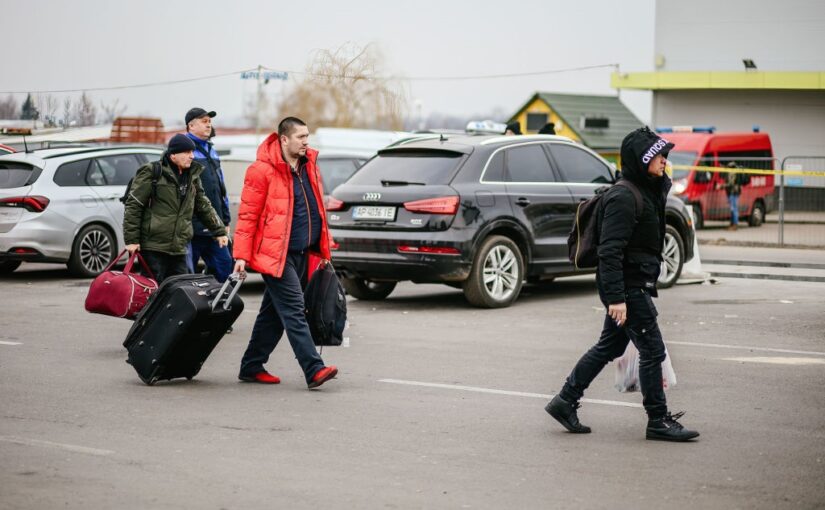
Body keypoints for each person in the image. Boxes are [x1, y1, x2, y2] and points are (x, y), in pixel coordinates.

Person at [545, 126, 699, 442]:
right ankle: (658, 420)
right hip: (626, 287)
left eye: (665, 154)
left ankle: (565, 400)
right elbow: (609, 251)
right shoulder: (624, 197)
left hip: (633, 283)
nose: (664, 160)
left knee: (610, 345)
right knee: (653, 351)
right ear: (642, 160)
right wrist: (617, 298)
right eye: (658, 155)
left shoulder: (647, 189)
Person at [233, 117, 338, 389]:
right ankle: (313, 368)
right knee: (293, 311)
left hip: (303, 252)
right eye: (300, 137)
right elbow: (247, 217)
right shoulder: (261, 170)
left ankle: (252, 365)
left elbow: (316, 209)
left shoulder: (308, 165)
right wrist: (241, 256)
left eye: (307, 136)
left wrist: (324, 246)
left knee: (273, 313)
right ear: (283, 139)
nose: (306, 141)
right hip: (275, 255)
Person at [123, 134, 228, 282]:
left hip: (179, 247)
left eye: (192, 152)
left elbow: (203, 205)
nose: (191, 156)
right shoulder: (152, 172)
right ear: (173, 155)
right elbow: (134, 205)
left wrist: (219, 231)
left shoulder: (192, 175)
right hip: (153, 246)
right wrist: (131, 240)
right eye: (186, 152)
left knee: (179, 291)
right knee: (153, 291)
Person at [184, 108, 233, 282]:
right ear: (191, 125)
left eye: (209, 121)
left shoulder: (212, 150)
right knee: (187, 276)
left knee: (225, 268)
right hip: (192, 229)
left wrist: (225, 220)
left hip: (215, 226)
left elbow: (220, 188)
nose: (208, 124)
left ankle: (218, 306)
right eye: (203, 121)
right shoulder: (184, 150)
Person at [718, 161, 745, 231]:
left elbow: (730, 184)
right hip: (734, 193)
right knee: (733, 209)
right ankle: (732, 224)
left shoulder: (732, 173)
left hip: (733, 193)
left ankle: (735, 225)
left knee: (734, 209)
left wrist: (721, 186)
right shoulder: (735, 172)